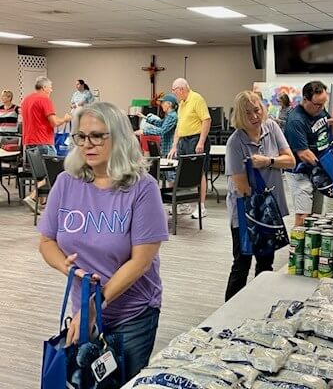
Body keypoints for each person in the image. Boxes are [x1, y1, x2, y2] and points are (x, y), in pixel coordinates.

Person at [38, 102, 169, 383]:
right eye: (81, 136)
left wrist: (95, 306)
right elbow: (46, 241)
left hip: (131, 315)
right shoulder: (65, 182)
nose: (88, 144)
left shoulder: (142, 188)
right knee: (84, 381)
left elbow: (141, 261)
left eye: (97, 135)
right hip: (82, 310)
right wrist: (67, 268)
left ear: (119, 138)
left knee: (122, 382)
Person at [224, 90, 295, 301]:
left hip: (271, 210)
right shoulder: (235, 143)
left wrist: (268, 161)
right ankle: (229, 311)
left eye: (257, 110)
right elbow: (242, 187)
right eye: (248, 113)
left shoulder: (271, 127)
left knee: (266, 264)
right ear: (239, 115)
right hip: (245, 214)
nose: (254, 116)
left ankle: (260, 304)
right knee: (242, 264)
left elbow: (290, 160)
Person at [283, 80, 333, 227]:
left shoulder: (319, 110)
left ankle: (310, 248)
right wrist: (329, 168)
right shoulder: (295, 120)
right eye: (317, 104)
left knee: (315, 216)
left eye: (323, 104)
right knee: (303, 215)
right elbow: (304, 153)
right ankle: (296, 248)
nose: (321, 108)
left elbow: (325, 132)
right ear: (305, 99)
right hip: (300, 172)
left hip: (318, 169)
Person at [21, 76, 72, 212]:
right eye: (50, 87)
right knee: (53, 172)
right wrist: (66, 119)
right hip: (43, 141)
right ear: (44, 87)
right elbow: (54, 122)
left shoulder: (26, 100)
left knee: (40, 174)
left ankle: (40, 202)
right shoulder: (44, 99)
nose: (51, 89)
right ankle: (32, 197)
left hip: (29, 142)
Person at [168, 78, 211, 219]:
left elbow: (206, 120)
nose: (174, 94)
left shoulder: (196, 98)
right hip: (184, 141)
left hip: (196, 139)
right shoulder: (181, 104)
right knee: (182, 172)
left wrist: (201, 142)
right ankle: (183, 204)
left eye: (174, 91)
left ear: (181, 89)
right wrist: (174, 145)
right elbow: (179, 127)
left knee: (199, 173)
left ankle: (201, 207)